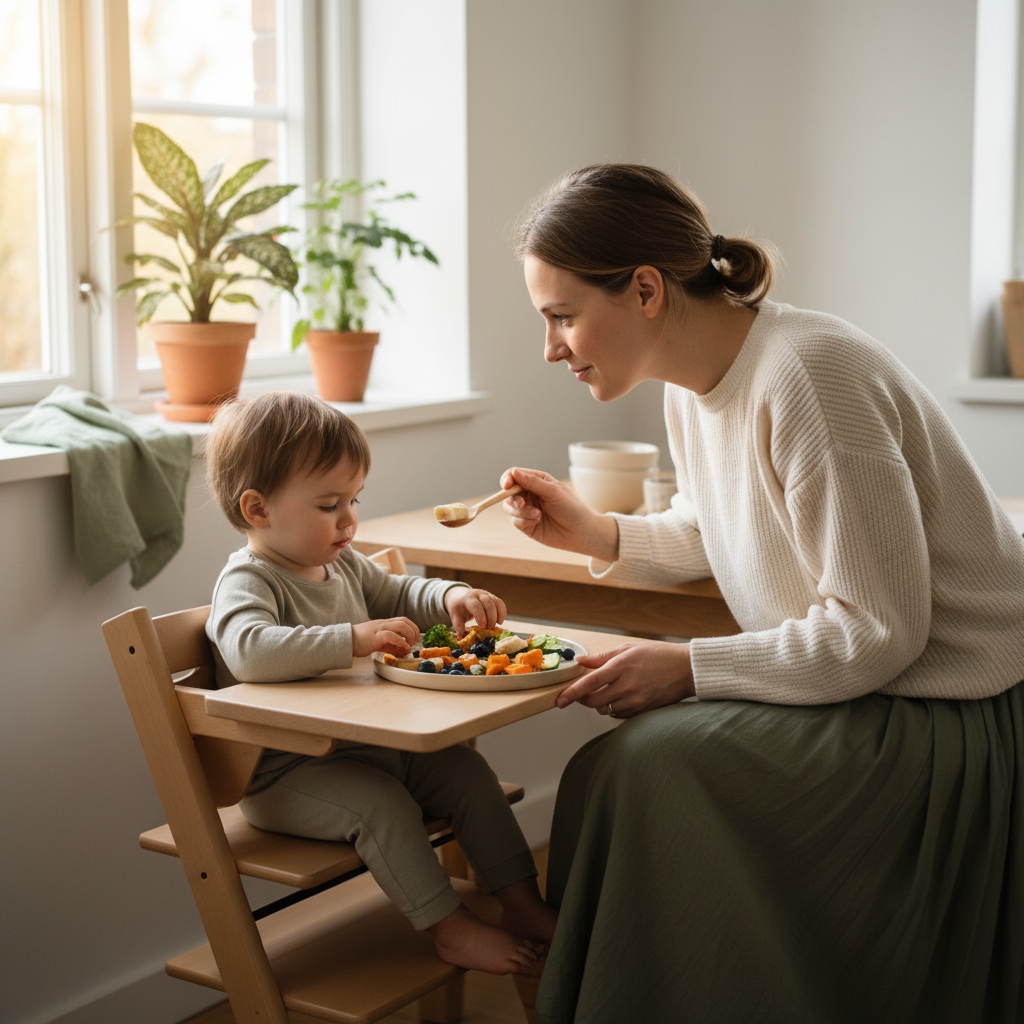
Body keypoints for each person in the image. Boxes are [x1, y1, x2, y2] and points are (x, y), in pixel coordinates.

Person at [502, 164, 1024, 1022]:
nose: (551, 347)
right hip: (870, 689)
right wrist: (597, 533)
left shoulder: (811, 378)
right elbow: (722, 530)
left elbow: (879, 631)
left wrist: (687, 669)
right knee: (603, 773)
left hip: (946, 706)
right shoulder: (694, 385)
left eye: (561, 316)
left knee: (646, 768)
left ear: (643, 290)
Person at [204, 390, 557, 975]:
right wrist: (353, 638)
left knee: (467, 772)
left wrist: (448, 594)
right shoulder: (249, 579)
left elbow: (400, 595)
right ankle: (449, 928)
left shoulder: (339, 561)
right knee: (384, 806)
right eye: (327, 505)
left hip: (368, 750)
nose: (348, 519)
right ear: (258, 509)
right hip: (289, 774)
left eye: (353, 499)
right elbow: (249, 652)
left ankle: (520, 903)